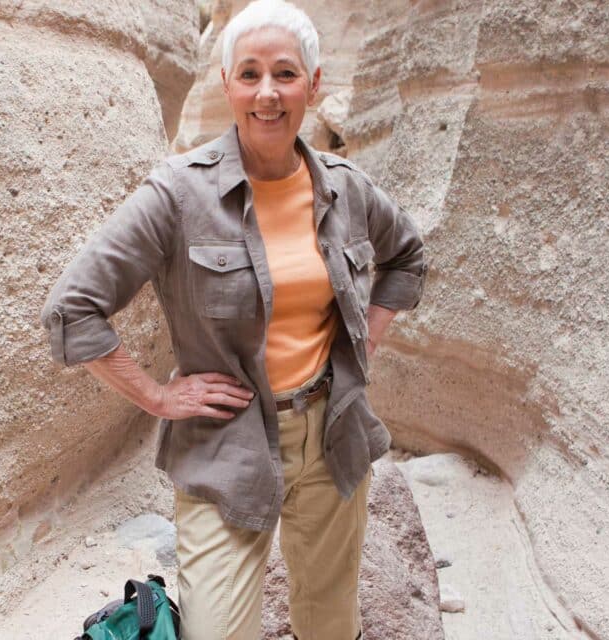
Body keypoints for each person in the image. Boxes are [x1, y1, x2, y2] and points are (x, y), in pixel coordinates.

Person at [39, 1, 426, 637]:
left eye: (285, 73)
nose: (267, 93)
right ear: (226, 85)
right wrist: (157, 397)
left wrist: (369, 339)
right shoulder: (176, 193)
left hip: (333, 436)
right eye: (248, 74)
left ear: (314, 83)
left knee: (331, 625)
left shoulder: (346, 188)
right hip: (226, 449)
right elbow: (72, 308)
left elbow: (406, 256)